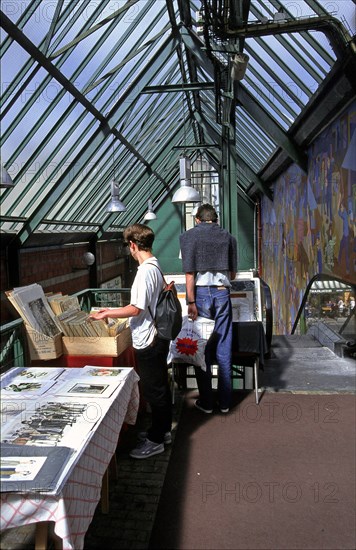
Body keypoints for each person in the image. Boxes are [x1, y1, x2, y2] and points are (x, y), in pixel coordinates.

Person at [90, 224, 172, 459]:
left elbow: (136, 309)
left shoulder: (145, 271)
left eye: (129, 247)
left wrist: (106, 313)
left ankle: (156, 440)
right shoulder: (155, 266)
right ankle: (162, 430)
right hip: (157, 334)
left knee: (154, 389)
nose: (130, 251)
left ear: (133, 245)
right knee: (160, 387)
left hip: (148, 338)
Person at [179, 204, 238, 414]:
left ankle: (206, 402)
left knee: (202, 346)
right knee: (223, 345)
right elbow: (233, 274)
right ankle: (225, 402)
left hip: (201, 295)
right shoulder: (229, 238)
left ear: (197, 220)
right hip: (222, 292)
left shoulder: (188, 237)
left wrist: (190, 302)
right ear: (216, 219)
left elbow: (189, 274)